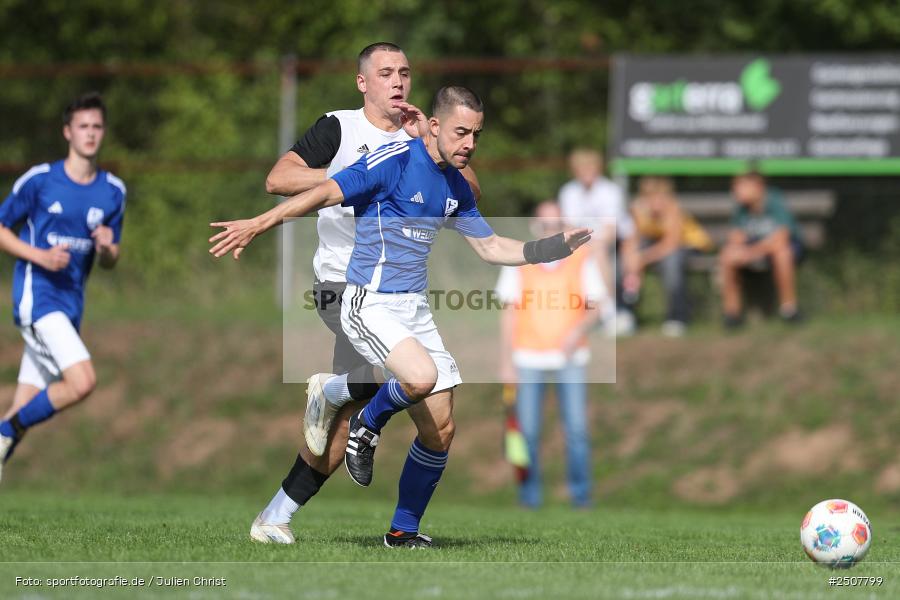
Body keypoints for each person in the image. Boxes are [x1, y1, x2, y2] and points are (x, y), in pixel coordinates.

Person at [210, 85, 591, 547]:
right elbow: (323, 193)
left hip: (413, 309)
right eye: (461, 132)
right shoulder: (391, 161)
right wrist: (258, 223)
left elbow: (491, 247)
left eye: (476, 134)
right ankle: (367, 425)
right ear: (434, 126)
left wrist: (553, 248)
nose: (469, 143)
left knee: (442, 427)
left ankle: (402, 531)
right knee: (420, 377)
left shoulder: (455, 184)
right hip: (366, 299)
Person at [243, 42, 480, 546]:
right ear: (362, 83)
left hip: (397, 295)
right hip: (342, 286)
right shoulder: (340, 127)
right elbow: (277, 179)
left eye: (405, 73)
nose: (397, 82)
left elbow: (471, 192)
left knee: (433, 422)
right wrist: (359, 176)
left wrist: (424, 141)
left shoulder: (425, 134)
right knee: (375, 399)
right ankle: (282, 505)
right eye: (386, 73)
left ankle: (375, 522)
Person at [0, 92, 126, 481]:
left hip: (71, 305)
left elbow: (112, 258)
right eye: (83, 126)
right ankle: (6, 430)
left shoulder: (113, 190)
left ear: (103, 132)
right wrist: (39, 256)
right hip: (37, 298)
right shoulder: (39, 181)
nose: (90, 134)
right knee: (82, 381)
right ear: (67, 132)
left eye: (96, 127)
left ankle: (6, 431)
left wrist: (106, 247)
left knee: (24, 402)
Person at [496, 201, 605, 508]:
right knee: (527, 433)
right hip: (527, 357)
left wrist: (577, 332)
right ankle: (528, 499)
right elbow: (508, 313)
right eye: (544, 225)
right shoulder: (519, 260)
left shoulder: (582, 259)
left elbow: (596, 307)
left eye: (555, 225)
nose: (550, 231)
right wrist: (505, 362)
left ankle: (581, 498)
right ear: (536, 228)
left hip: (571, 359)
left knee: (577, 432)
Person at [558, 148, 638, 335]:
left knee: (598, 254)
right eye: (582, 168)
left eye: (590, 168)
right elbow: (569, 228)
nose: (587, 172)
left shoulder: (610, 191)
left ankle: (608, 313)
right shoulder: (569, 192)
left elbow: (611, 231)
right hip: (583, 244)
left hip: (616, 242)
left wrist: (591, 246)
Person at [630, 176, 713, 337]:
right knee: (623, 261)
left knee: (672, 263)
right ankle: (625, 311)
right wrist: (632, 258)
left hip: (690, 245)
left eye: (659, 197)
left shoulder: (673, 209)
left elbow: (671, 244)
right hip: (659, 247)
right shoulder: (640, 210)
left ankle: (678, 315)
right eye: (649, 197)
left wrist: (643, 258)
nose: (654, 201)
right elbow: (634, 239)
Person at [719, 169, 803, 328]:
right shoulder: (741, 208)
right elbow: (735, 236)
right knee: (727, 256)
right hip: (756, 249)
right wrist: (737, 250)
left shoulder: (774, 200)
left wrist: (751, 252)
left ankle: (789, 310)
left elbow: (781, 238)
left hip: (780, 248)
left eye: (740, 186)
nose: (735, 190)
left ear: (757, 186)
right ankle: (732, 315)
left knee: (783, 253)